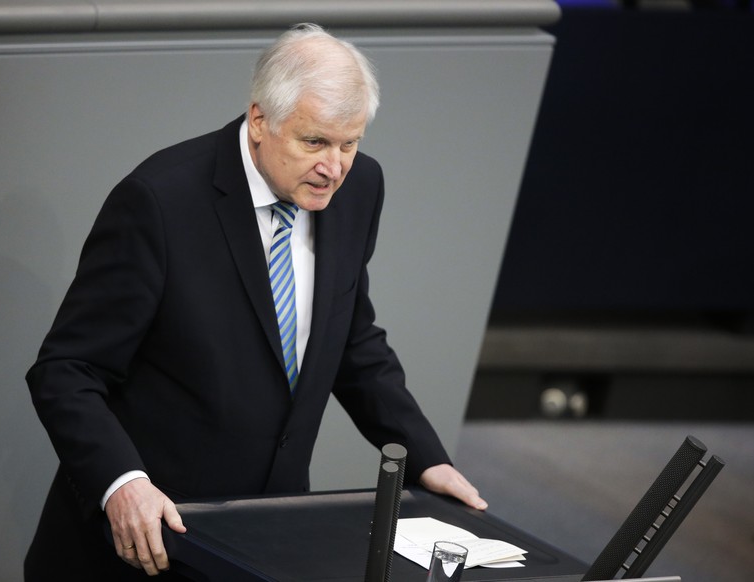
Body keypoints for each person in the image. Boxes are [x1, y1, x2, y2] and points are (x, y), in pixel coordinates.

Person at [25, 23, 487, 580]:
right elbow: (65, 370)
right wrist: (123, 484)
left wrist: (425, 457)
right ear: (260, 119)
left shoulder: (360, 187)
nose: (334, 167)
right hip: (146, 540)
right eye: (314, 141)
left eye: (350, 142)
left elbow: (351, 340)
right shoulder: (160, 202)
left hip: (269, 537)